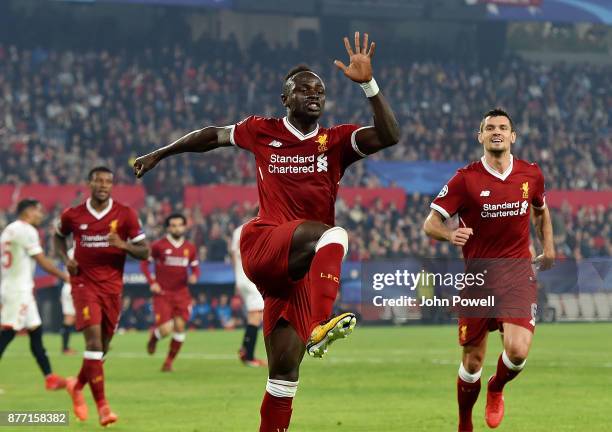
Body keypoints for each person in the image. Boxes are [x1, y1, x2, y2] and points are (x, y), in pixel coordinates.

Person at [134, 32, 400, 431]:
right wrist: (161, 152)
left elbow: (390, 135)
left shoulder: (337, 141)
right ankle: (318, 327)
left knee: (283, 378)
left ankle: (309, 336)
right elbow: (212, 136)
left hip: (295, 275)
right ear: (285, 99)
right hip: (263, 242)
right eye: (304, 89)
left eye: (320, 90)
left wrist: (368, 85)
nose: (314, 94)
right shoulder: (261, 130)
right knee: (336, 235)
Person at [423, 108, 555, 432]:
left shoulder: (531, 174)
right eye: (490, 128)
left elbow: (540, 210)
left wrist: (548, 247)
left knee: (518, 352)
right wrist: (449, 234)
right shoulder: (465, 179)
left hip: (517, 274)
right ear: (480, 136)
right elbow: (431, 223)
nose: (497, 132)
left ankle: (496, 388)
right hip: (478, 279)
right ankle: (464, 422)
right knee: (472, 363)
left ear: (513, 136)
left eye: (503, 127)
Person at [54, 166, 149, 426]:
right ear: (89, 183)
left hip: (112, 289)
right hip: (83, 284)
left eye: (108, 181)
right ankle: (103, 407)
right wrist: (65, 260)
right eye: (98, 181)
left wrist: (124, 245)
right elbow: (58, 237)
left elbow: (145, 252)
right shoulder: (73, 214)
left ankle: (76, 385)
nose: (103, 185)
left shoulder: (126, 214)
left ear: (112, 185)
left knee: (102, 349)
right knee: (94, 345)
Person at [0, 198, 70, 391]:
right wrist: (65, 276)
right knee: (7, 334)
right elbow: (41, 261)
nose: (41, 215)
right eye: (38, 211)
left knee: (35, 332)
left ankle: (49, 378)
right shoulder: (26, 230)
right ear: (28, 211)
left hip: (16, 288)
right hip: (18, 291)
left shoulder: (9, 230)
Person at [141, 213, 199, 372]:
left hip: (181, 293)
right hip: (163, 294)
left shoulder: (190, 248)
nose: (177, 228)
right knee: (166, 329)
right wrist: (152, 283)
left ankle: (168, 363)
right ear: (168, 227)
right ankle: (154, 338)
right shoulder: (158, 245)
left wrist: (194, 276)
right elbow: (145, 265)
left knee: (180, 327)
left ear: (184, 227)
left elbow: (195, 267)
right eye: (173, 225)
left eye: (180, 225)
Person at [231, 223, 266, 367]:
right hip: (252, 279)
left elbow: (233, 254)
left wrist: (236, 278)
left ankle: (246, 351)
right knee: (256, 316)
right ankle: (248, 356)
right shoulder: (261, 228)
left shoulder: (238, 230)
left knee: (255, 315)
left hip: (241, 278)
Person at [59, 247, 77, 355]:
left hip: (67, 286)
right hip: (75, 286)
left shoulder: (70, 252)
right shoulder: (80, 251)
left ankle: (65, 347)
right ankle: (97, 343)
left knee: (69, 318)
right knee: (90, 314)